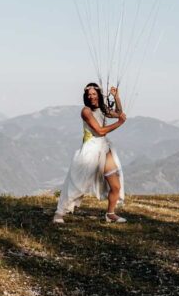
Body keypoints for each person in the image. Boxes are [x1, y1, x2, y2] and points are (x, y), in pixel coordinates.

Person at [53, 83, 127, 225]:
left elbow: (119, 113)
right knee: (78, 184)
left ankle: (110, 214)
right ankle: (59, 213)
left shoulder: (102, 109)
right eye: (89, 95)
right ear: (86, 97)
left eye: (94, 94)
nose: (92, 97)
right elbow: (99, 131)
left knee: (115, 185)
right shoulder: (85, 111)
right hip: (90, 149)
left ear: (98, 95)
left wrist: (116, 96)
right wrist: (119, 123)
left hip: (104, 148)